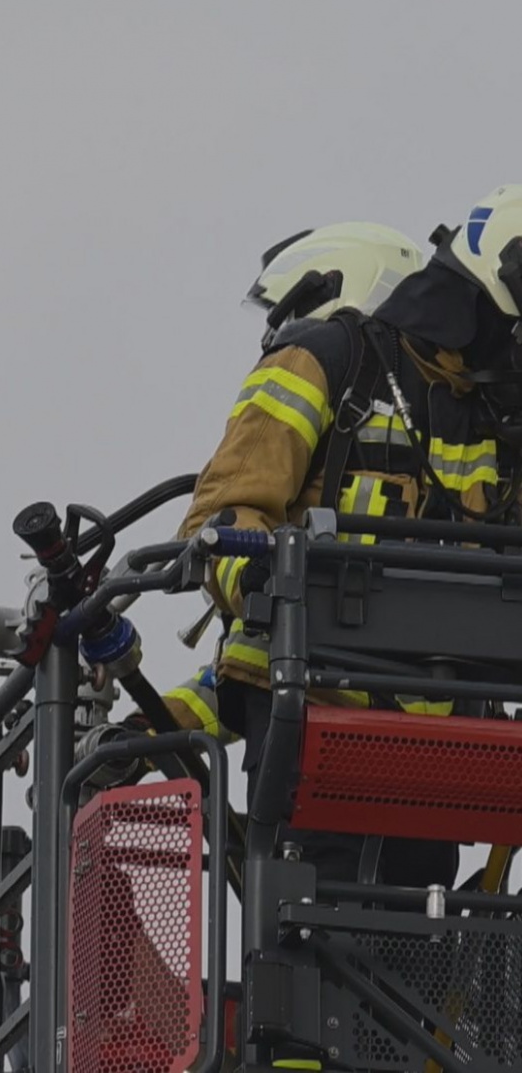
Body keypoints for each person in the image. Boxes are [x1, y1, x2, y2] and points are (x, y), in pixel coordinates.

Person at [177, 185, 522, 887]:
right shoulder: (326, 358)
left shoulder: (494, 422)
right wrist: (272, 587)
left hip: (443, 752)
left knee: (415, 934)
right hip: (312, 728)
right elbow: (225, 516)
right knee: (314, 925)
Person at [79, 222, 426, 783]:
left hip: (319, 744)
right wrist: (143, 734)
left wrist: (249, 574)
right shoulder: (452, 447)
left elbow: (268, 659)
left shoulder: (315, 370)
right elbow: (242, 674)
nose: (280, 338)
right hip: (439, 748)